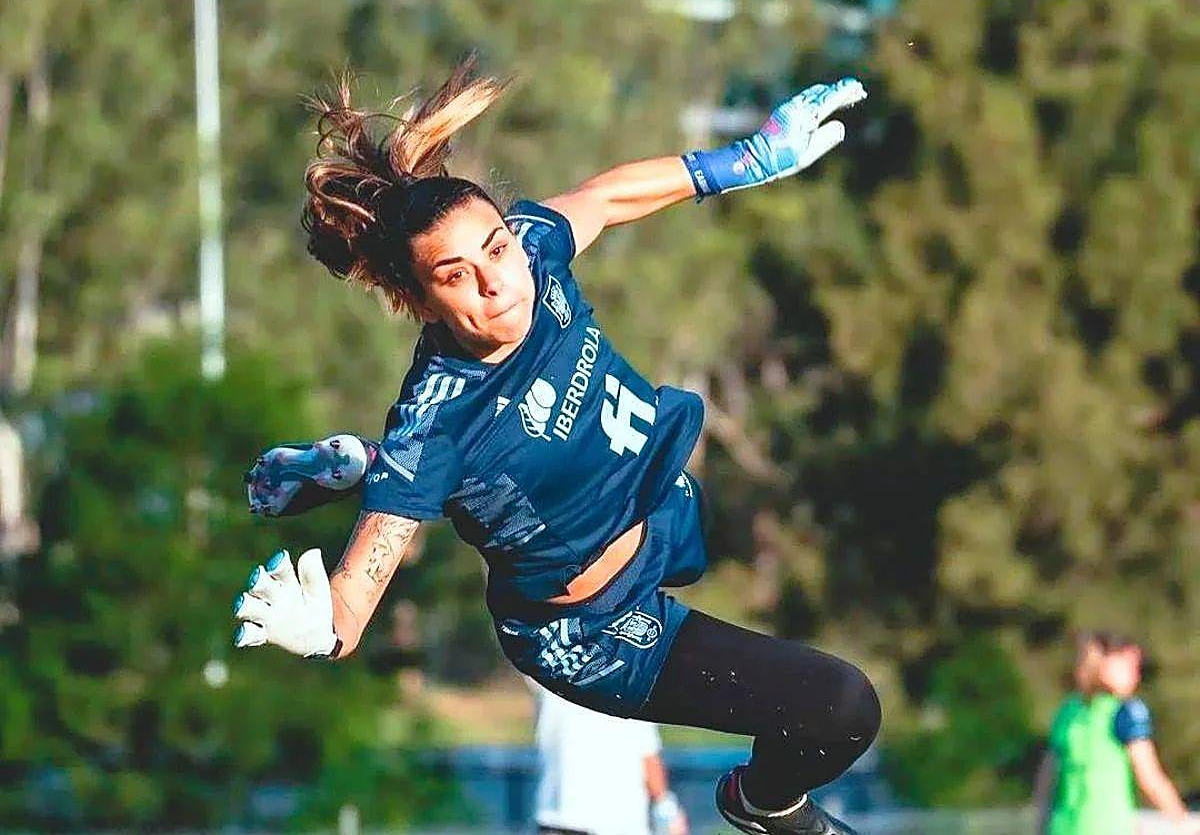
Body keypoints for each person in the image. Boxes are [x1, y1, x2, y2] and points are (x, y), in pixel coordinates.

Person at [231, 57, 879, 835]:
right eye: (456, 275)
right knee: (843, 708)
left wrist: (746, 159)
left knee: (777, 532)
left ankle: (357, 464)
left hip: (654, 519)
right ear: (418, 298)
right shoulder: (435, 422)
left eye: (495, 249)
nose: (495, 282)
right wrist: (319, 631)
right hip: (591, 632)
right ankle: (763, 807)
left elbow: (605, 197)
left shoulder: (535, 253)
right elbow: (351, 609)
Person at [1035, 632, 1196, 834]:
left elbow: (1047, 779)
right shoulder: (1126, 711)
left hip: (1064, 826)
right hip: (1108, 826)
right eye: (1130, 666)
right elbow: (1149, 776)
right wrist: (1183, 822)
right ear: (1108, 665)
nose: (1135, 675)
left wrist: (1041, 825)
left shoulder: (1068, 712)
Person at [532, 682, 688, 835]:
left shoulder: (551, 680)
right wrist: (667, 808)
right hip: (613, 822)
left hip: (555, 817)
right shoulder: (628, 686)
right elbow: (648, 758)